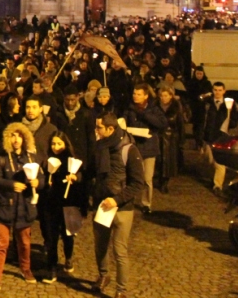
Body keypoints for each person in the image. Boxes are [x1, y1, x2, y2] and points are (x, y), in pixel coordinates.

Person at [0, 123, 41, 294]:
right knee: (1, 245)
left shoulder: (31, 158)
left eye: (19, 136)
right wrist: (11, 184)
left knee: (24, 242)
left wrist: (38, 183)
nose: (16, 139)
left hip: (23, 207)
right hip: (3, 206)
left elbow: (41, 178)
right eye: (13, 136)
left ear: (24, 138)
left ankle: (26, 268)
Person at [92, 113, 146, 298]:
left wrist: (117, 199)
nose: (96, 131)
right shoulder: (100, 146)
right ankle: (103, 276)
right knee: (100, 246)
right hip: (101, 205)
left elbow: (138, 183)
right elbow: (95, 173)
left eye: (99, 128)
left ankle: (121, 290)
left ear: (110, 129)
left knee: (119, 250)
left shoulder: (129, 150)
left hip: (122, 208)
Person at [38, 133, 80, 283]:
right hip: (50, 203)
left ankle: (68, 256)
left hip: (67, 203)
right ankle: (52, 267)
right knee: (51, 236)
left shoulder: (71, 160)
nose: (56, 147)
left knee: (67, 234)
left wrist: (75, 178)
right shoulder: (47, 160)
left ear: (65, 144)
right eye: (53, 144)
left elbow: (81, 176)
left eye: (59, 144)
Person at [123, 83, 168, 213]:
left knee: (147, 178)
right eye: (134, 94)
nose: (135, 96)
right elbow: (124, 122)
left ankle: (146, 203)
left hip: (149, 147)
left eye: (138, 94)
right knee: (131, 176)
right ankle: (128, 200)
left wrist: (144, 115)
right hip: (134, 147)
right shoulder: (129, 109)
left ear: (145, 96)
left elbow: (162, 123)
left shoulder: (154, 109)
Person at [202, 80, 238, 190]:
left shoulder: (229, 104)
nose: (217, 92)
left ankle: (217, 185)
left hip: (221, 136)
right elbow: (201, 119)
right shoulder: (208, 103)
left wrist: (231, 118)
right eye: (215, 90)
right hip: (208, 135)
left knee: (220, 163)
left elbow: (234, 121)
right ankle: (214, 178)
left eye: (220, 90)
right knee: (209, 160)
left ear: (224, 91)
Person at [157, 83, 186, 192]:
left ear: (171, 96)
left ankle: (164, 182)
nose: (163, 98)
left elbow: (180, 123)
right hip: (159, 136)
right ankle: (160, 179)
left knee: (168, 161)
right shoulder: (156, 106)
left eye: (166, 95)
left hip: (171, 138)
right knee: (160, 160)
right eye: (162, 96)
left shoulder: (176, 106)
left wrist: (182, 139)